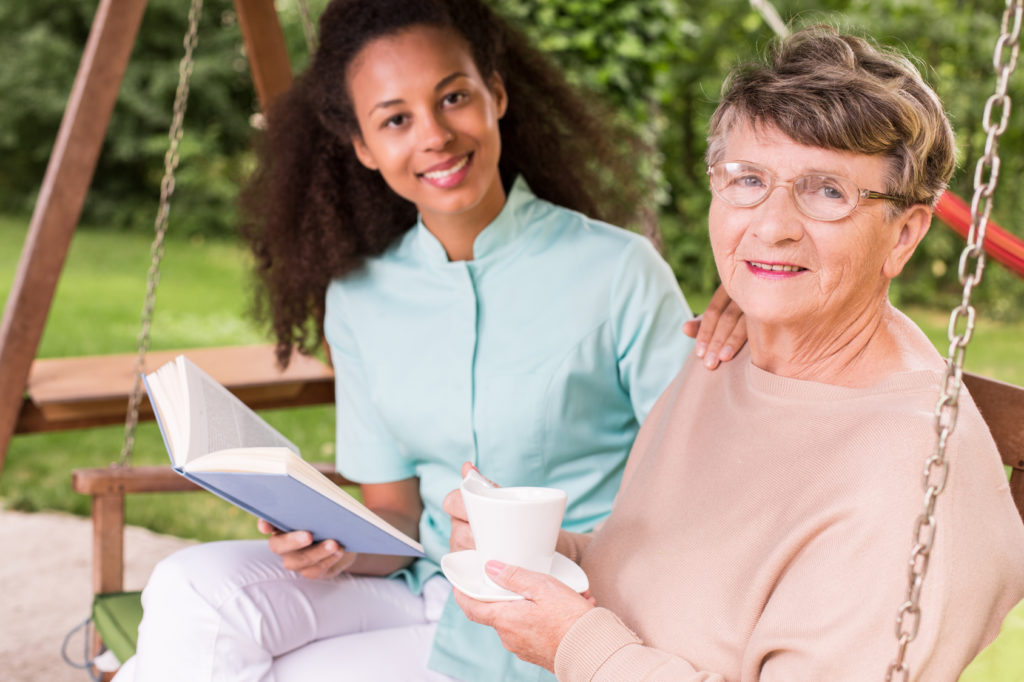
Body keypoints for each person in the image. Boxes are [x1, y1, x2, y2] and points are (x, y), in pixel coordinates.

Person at [112, 1, 745, 680]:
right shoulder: (358, 300)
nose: (435, 135)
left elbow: (699, 472)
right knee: (190, 589)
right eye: (395, 119)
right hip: (428, 598)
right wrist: (336, 546)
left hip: (568, 615)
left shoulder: (617, 270)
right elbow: (396, 515)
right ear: (361, 144)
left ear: (495, 95)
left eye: (453, 97)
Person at [450, 25, 1024, 680]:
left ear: (904, 235)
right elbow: (664, 582)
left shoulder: (903, 483)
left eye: (828, 191)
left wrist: (574, 643)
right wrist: (541, 553)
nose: (773, 226)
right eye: (748, 179)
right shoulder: (726, 355)